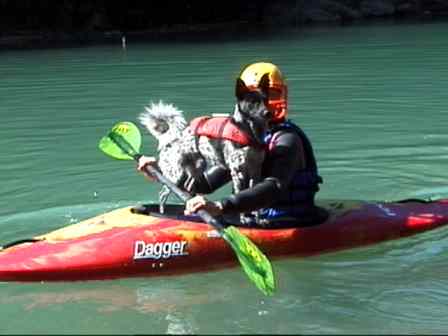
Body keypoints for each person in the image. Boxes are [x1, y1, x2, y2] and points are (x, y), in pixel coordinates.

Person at [138, 62, 326, 228]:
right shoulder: (240, 142)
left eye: (272, 95)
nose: (265, 104)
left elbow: (273, 188)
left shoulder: (287, 139)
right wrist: (163, 170)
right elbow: (205, 184)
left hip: (288, 220)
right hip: (254, 218)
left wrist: (221, 206)